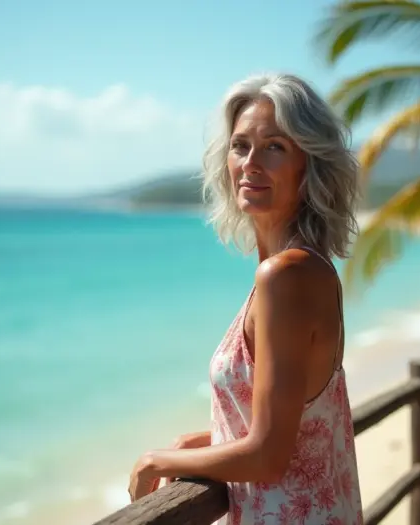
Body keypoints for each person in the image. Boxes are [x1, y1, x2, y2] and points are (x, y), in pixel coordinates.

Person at [128, 73, 363, 525]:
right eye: (240, 146)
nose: (251, 163)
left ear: (308, 164)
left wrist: (157, 462)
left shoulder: (286, 276)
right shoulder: (311, 269)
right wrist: (192, 443)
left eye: (274, 146)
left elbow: (268, 455)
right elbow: (292, 430)